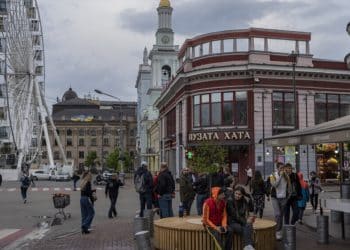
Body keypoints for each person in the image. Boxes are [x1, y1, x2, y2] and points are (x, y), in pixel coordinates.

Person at [270, 162, 290, 240]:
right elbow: (275, 185)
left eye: (283, 168)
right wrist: (280, 176)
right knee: (277, 214)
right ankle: (277, 231)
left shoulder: (286, 176)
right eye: (281, 168)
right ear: (277, 168)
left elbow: (289, 185)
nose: (282, 169)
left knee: (281, 215)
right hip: (275, 197)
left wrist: (288, 196)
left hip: (284, 198)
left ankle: (278, 230)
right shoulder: (272, 175)